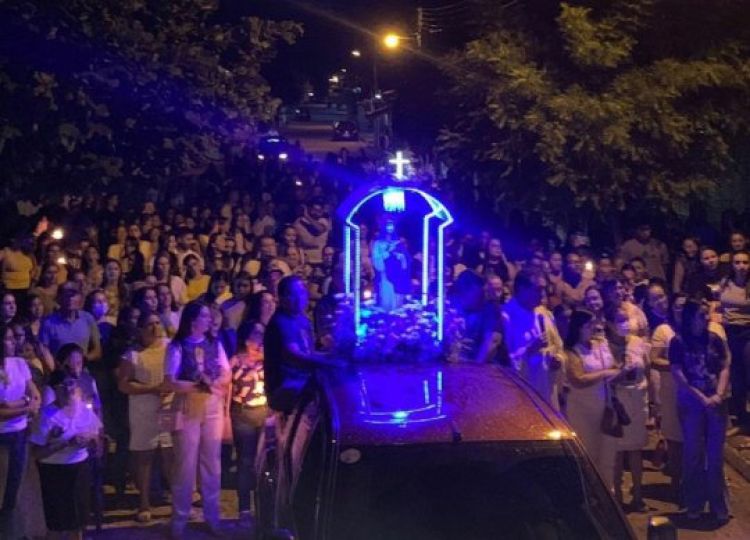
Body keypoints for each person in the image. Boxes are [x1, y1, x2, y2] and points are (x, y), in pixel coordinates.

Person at [163, 301, 231, 538]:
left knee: (212, 462)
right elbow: (170, 381)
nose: (209, 320)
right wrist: (198, 385)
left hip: (211, 405)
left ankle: (212, 517)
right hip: (187, 406)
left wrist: (214, 383)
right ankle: (179, 520)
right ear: (193, 320)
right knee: (185, 463)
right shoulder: (177, 346)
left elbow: (226, 372)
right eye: (204, 316)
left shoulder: (214, 343)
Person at [669, 300, 731, 524]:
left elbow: (724, 365)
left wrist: (719, 393)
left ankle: (718, 505)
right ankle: (693, 504)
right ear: (690, 316)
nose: (706, 318)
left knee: (715, 457)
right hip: (692, 403)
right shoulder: (678, 342)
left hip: (716, 402)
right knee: (693, 455)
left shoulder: (713, 338)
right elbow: (678, 374)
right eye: (702, 314)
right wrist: (701, 397)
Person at [30, 370, 102, 540]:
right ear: (55, 390)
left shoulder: (84, 410)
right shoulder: (47, 416)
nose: (69, 389)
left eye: (72, 384)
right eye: (63, 386)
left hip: (80, 467)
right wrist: (66, 443)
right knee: (57, 520)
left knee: (78, 518)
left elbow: (97, 440)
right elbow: (36, 453)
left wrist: (91, 440)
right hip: (55, 471)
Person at [117, 310, 172, 523]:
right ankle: (144, 503)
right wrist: (152, 389)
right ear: (140, 329)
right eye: (150, 324)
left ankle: (178, 502)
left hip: (169, 409)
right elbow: (124, 385)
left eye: (158, 322)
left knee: (170, 455)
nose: (155, 327)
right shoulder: (132, 355)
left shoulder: (170, 347)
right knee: (144, 458)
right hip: (143, 411)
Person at [564, 310, 621, 491]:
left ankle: (608, 493)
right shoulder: (571, 352)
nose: (594, 328)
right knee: (589, 454)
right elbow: (578, 379)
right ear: (579, 328)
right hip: (583, 410)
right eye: (589, 325)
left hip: (605, 408)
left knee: (607, 455)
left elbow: (614, 366)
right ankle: (589, 495)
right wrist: (605, 373)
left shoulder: (600, 345)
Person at [502, 269, 565, 409]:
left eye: (544, 289)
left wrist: (557, 359)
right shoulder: (506, 316)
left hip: (546, 386)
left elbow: (558, 347)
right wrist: (530, 350)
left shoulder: (544, 315)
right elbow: (505, 363)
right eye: (538, 289)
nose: (542, 294)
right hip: (520, 393)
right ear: (521, 289)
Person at [0, 323, 41, 537]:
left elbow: (34, 395)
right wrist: (24, 406)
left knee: (17, 489)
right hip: (2, 437)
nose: (12, 343)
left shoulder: (19, 363)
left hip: (21, 433)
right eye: (7, 339)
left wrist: (16, 404)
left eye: (12, 338)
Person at [229, 320, 268, 528]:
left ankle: (265, 507)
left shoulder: (269, 360)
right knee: (245, 460)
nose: (260, 340)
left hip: (265, 413)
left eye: (262, 335)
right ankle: (244, 509)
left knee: (265, 461)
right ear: (246, 339)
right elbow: (227, 389)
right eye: (256, 335)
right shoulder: (235, 361)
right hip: (243, 414)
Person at [719, 250, 750, 434]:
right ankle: (741, 419)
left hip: (747, 332)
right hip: (729, 332)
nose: (741, 266)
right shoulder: (725, 282)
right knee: (735, 376)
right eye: (738, 262)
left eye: (745, 262)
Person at [448, 270, 503, 363]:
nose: (483, 295)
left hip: (477, 365)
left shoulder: (490, 310)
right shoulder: (448, 306)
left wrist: (476, 365)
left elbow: (492, 341)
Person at [39, 284, 102, 362]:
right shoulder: (48, 323)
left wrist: (81, 361)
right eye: (66, 295)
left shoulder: (87, 318)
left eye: (73, 295)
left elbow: (97, 350)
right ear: (59, 298)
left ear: (80, 298)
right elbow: (44, 351)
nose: (70, 299)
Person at [371, 219, 410, 311]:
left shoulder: (398, 242)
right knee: (386, 295)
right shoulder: (378, 243)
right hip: (385, 274)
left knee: (398, 298)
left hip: (397, 273)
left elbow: (405, 259)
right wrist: (387, 253)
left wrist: (401, 257)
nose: (389, 228)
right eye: (388, 226)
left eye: (391, 226)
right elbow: (376, 258)